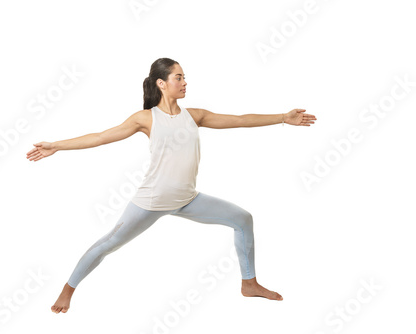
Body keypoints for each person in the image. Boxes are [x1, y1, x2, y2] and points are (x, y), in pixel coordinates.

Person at [25, 57, 317, 314]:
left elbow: (240, 120)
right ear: (161, 83)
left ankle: (249, 284)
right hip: (151, 202)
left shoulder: (195, 116)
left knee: (243, 219)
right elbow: (101, 136)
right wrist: (57, 146)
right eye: (179, 77)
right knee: (107, 245)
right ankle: (68, 290)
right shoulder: (145, 118)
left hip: (187, 199)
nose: (185, 82)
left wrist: (282, 117)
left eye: (184, 77)